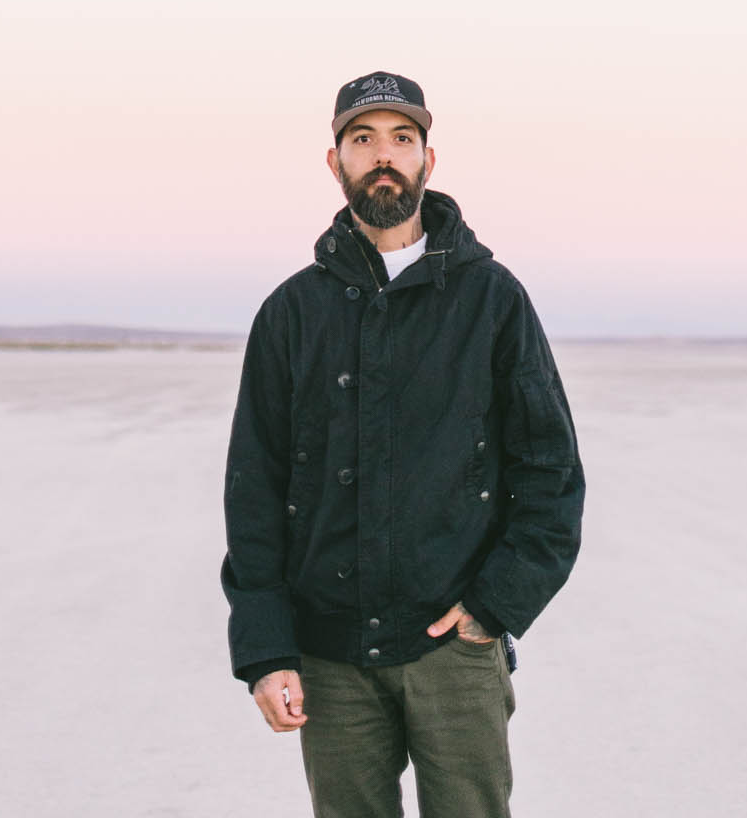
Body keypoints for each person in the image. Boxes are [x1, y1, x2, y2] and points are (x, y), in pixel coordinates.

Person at [221, 70, 585, 818]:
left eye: (401, 139)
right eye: (363, 140)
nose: (383, 155)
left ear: (427, 160)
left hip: (453, 647)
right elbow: (254, 489)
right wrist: (266, 649)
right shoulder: (291, 313)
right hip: (329, 654)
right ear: (336, 162)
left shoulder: (493, 300)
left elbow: (550, 472)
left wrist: (496, 605)